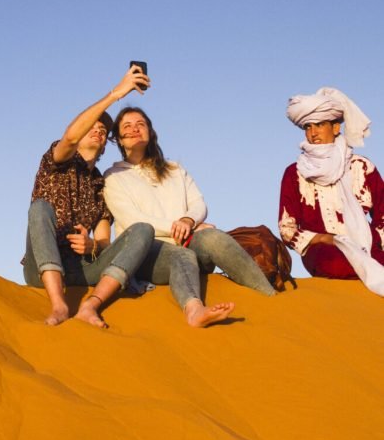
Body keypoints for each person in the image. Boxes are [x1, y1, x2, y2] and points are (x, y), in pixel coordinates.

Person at [104, 107, 275, 328]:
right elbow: (132, 219)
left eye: (141, 124)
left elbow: (198, 203)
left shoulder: (174, 169)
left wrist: (188, 221)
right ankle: (194, 311)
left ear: (150, 131)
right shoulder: (114, 176)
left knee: (214, 237)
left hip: (187, 239)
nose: (135, 129)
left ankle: (269, 296)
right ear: (119, 138)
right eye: (127, 126)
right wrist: (176, 226)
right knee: (181, 256)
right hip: (148, 252)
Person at [22, 66, 156, 327]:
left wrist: (92, 246)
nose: (98, 130)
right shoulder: (56, 161)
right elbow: (70, 136)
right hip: (43, 269)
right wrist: (116, 93)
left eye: (103, 130)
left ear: (106, 143)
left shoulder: (100, 185)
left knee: (143, 231)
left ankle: (90, 304)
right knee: (39, 208)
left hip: (84, 271)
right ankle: (58, 304)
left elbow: (104, 241)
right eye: (91, 126)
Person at [279, 87, 384, 291]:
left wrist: (376, 241)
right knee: (337, 264)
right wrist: (323, 238)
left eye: (319, 125)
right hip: (324, 250)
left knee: (372, 261)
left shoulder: (361, 167)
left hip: (367, 245)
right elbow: (286, 228)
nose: (313, 132)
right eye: (308, 126)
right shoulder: (295, 173)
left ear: (336, 128)